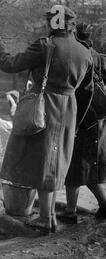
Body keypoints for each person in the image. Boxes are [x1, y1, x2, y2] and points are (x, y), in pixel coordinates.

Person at [0, 6, 94, 234]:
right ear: (71, 25)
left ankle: (44, 218)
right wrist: (76, 122)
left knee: (42, 161)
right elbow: (87, 92)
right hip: (69, 110)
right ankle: (50, 216)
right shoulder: (85, 53)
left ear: (53, 23)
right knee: (55, 163)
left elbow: (9, 64)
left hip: (45, 108)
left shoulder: (46, 46)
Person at [62, 23, 106, 223]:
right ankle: (104, 205)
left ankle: (70, 212)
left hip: (82, 120)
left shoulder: (78, 55)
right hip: (100, 120)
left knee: (74, 167)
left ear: (74, 36)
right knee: (90, 166)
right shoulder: (99, 57)